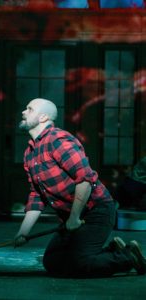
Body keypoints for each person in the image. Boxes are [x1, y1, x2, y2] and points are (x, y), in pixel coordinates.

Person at [14, 98, 146, 277]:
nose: (24, 112)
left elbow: (85, 179)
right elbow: (37, 195)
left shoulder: (58, 141)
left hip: (95, 212)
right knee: (53, 262)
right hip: (72, 217)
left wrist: (74, 217)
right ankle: (110, 251)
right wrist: (23, 232)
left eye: (29, 109)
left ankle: (127, 257)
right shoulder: (30, 153)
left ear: (43, 117)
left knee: (79, 263)